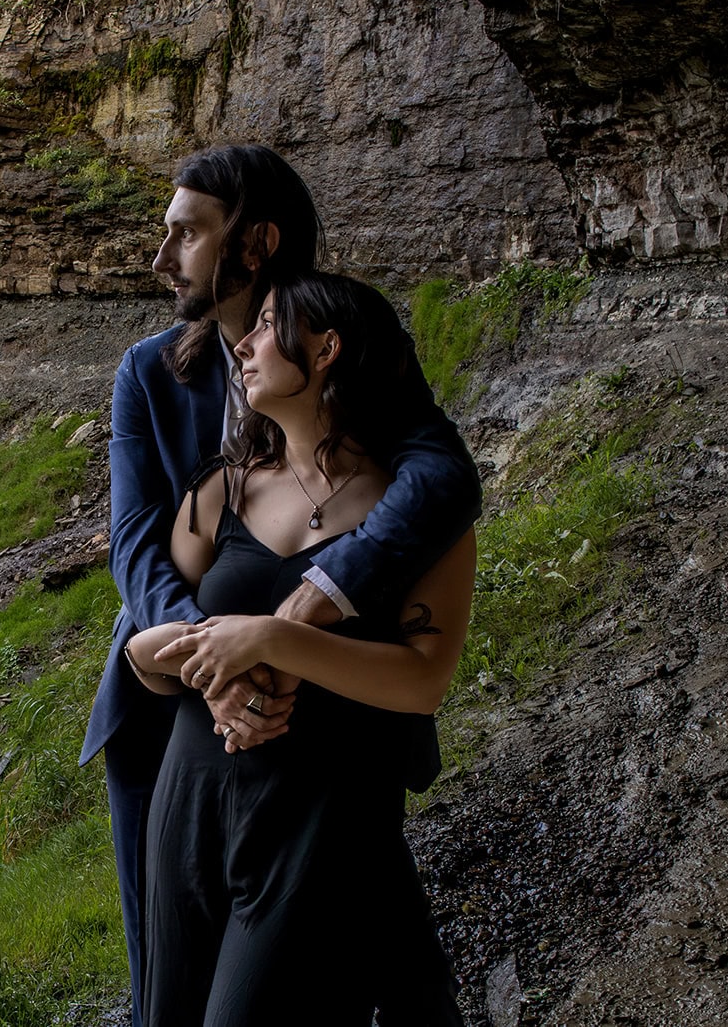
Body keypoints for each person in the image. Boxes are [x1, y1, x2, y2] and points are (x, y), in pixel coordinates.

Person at [79, 144, 480, 1027]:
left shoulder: (348, 334)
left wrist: (308, 605)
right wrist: (216, 660)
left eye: (187, 233)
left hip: (327, 725)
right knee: (167, 987)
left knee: (373, 951)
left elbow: (441, 477)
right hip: (175, 714)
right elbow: (140, 549)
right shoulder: (149, 373)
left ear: (256, 242)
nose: (162, 258)